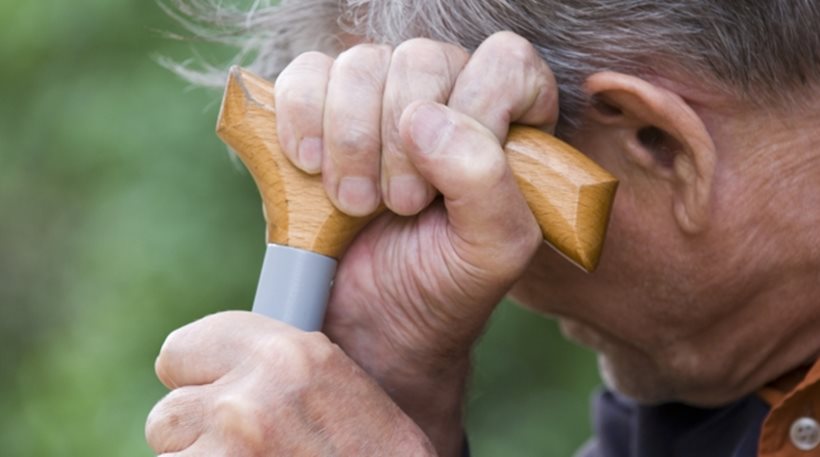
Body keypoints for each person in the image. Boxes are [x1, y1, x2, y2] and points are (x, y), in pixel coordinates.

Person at [146, 1, 820, 455]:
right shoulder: (710, 388)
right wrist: (388, 370)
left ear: (658, 143)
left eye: (437, 189)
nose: (505, 274)